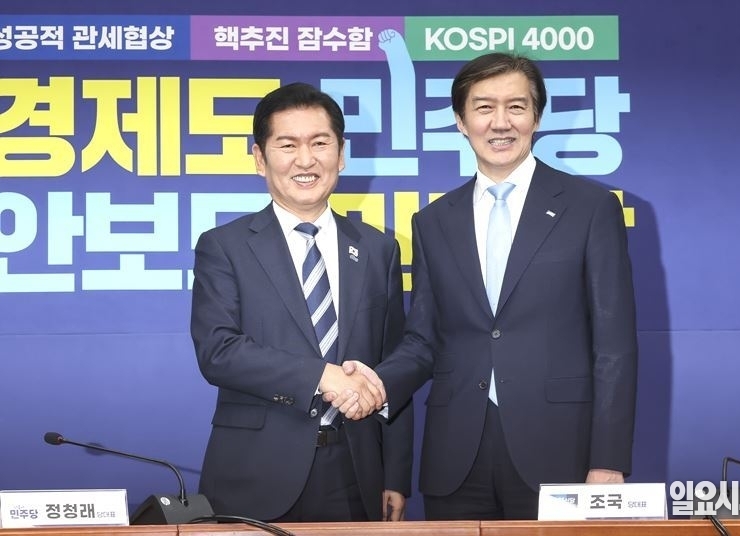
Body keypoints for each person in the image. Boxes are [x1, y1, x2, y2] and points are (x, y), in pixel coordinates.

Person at [333, 52, 638, 520]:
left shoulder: (590, 207)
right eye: (483, 108)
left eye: (516, 107)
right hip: (456, 454)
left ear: (537, 117)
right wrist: (375, 383)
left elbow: (614, 345)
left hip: (562, 451)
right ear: (460, 121)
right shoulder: (434, 221)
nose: (500, 122)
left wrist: (608, 460)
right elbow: (423, 339)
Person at [190, 82, 413, 523]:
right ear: (260, 158)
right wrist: (323, 375)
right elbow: (218, 351)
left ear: (341, 154)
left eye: (320, 143)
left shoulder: (378, 250)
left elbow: (393, 364)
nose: (306, 160)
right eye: (288, 145)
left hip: (356, 473)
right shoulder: (224, 246)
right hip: (255, 472)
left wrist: (396, 473)